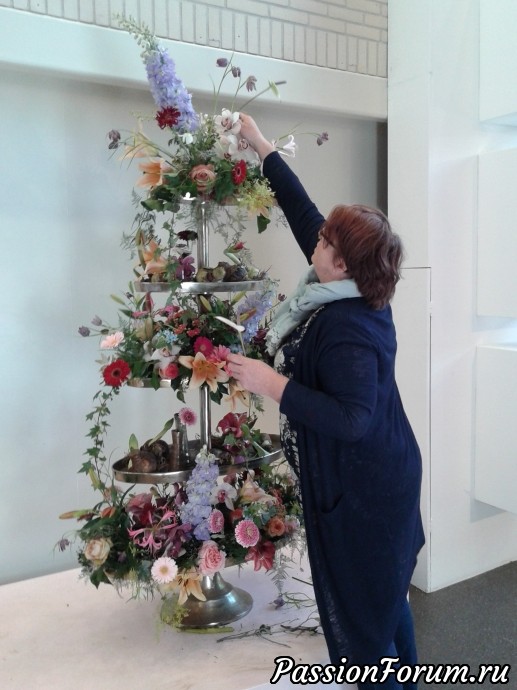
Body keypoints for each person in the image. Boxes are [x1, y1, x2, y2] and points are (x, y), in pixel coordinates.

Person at [227, 114, 425, 690]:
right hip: (375, 478)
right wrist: (261, 145)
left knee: (365, 628)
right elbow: (304, 213)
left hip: (370, 492)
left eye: (325, 242)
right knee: (384, 604)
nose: (315, 240)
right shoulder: (345, 284)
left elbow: (352, 419)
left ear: (342, 264)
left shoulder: (347, 326)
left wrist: (270, 383)